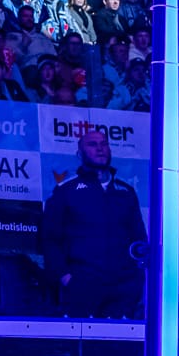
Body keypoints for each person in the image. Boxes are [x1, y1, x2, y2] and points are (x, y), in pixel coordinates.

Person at [40, 128, 146, 318]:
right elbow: (49, 239)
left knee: (119, 337)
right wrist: (65, 277)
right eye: (92, 144)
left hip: (123, 288)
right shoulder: (66, 191)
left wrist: (137, 278)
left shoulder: (125, 192)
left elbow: (139, 238)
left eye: (104, 144)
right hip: (82, 285)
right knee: (83, 337)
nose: (100, 149)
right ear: (80, 154)